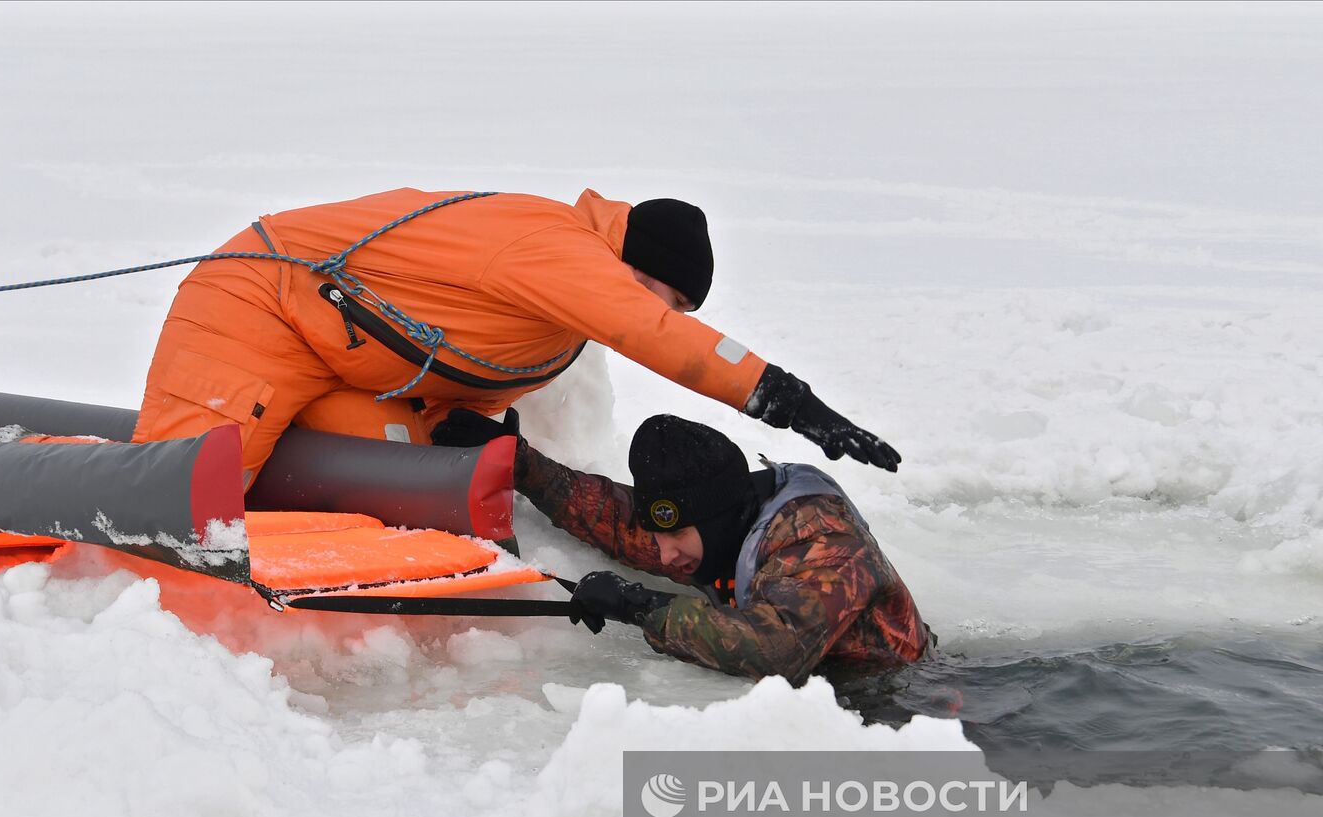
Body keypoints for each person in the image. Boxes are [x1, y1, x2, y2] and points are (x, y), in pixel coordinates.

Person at [131, 187, 901, 488]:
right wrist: (784, 398)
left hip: (352, 370)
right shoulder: (555, 248)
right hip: (256, 306)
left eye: (672, 303)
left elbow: (461, 357)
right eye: (659, 293)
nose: (653, 309)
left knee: (407, 489)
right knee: (179, 494)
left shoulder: (565, 323)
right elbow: (648, 331)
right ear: (630, 262)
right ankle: (33, 502)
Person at [431, 409, 934, 684]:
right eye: (662, 536)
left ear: (716, 520)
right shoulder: (723, 525)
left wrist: (638, 603)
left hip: (911, 702)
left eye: (676, 537)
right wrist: (521, 465)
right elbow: (618, 520)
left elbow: (775, 648)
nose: (666, 555)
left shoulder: (822, 541)